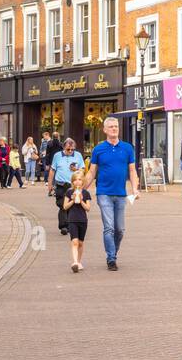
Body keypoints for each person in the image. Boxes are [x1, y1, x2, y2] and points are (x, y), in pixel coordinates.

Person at [82, 116, 139, 272]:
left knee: (120, 229)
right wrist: (80, 189)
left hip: (121, 194)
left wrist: (135, 188)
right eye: (111, 127)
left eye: (116, 126)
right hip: (104, 193)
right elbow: (92, 172)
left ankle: (113, 252)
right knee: (109, 228)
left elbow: (132, 170)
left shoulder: (127, 148)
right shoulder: (98, 149)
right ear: (105, 130)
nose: (114, 129)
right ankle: (111, 259)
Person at [50, 138, 85, 237]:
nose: (70, 151)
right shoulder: (57, 156)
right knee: (62, 205)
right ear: (64, 147)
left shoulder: (78, 155)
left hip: (74, 185)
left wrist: (76, 169)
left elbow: (83, 169)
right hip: (60, 185)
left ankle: (70, 226)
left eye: (72, 149)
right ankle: (63, 226)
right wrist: (50, 185)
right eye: (68, 149)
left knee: (72, 205)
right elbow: (52, 171)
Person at [63, 170, 92, 273]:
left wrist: (82, 200)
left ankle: (79, 262)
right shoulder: (69, 192)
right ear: (72, 181)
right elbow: (65, 207)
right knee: (74, 241)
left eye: (79, 179)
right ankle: (74, 262)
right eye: (75, 180)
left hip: (83, 220)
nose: (77, 182)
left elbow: (88, 208)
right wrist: (72, 200)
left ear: (83, 181)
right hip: (72, 220)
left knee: (80, 242)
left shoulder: (86, 193)